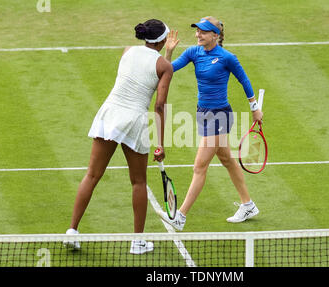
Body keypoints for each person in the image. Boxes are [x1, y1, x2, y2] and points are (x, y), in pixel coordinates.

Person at [64, 19, 173, 254]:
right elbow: (160, 104)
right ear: (163, 40)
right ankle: (137, 242)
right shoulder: (165, 66)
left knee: (92, 175)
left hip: (109, 114)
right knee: (139, 182)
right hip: (134, 121)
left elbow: (143, 72)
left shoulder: (127, 51)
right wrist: (161, 143)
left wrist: (168, 56)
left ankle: (72, 231)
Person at [160, 16, 263, 231]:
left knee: (199, 166)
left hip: (220, 116)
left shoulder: (227, 57)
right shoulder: (193, 52)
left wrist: (255, 109)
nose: (198, 34)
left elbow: (244, 80)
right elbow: (167, 70)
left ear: (215, 35)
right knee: (226, 159)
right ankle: (248, 205)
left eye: (203, 32)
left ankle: (180, 216)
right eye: (197, 31)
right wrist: (168, 52)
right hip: (203, 114)